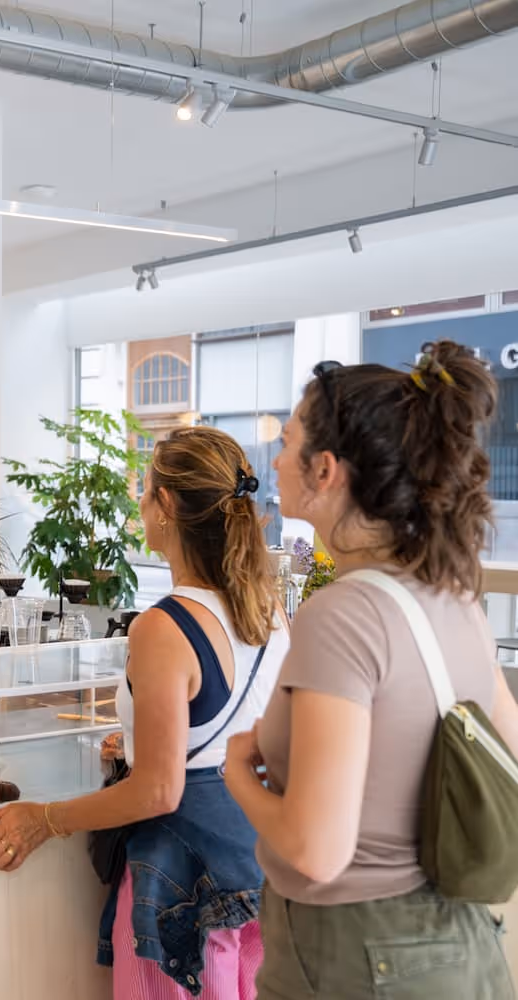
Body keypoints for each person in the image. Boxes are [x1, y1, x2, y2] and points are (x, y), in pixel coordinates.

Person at [224, 341, 518, 999]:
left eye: (288, 440)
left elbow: (316, 850)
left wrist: (240, 775)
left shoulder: (342, 614)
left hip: (355, 954)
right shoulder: (457, 597)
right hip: (463, 947)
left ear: (325, 469)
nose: (274, 458)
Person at [0, 426, 287, 998]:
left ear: (166, 505)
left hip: (180, 891)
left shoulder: (165, 625)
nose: (140, 506)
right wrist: (142, 741)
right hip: (256, 875)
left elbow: (159, 793)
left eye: (145, 491)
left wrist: (44, 819)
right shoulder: (270, 613)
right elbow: (240, 740)